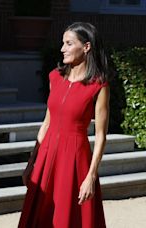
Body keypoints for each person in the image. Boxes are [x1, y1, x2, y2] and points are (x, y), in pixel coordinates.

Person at [19, 22, 110, 228]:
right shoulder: (54, 77)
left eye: (69, 43)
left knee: (70, 217)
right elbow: (46, 122)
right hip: (47, 154)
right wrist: (31, 162)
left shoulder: (99, 85)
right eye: (62, 43)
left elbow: (101, 135)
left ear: (86, 47)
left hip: (75, 159)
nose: (62, 49)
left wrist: (90, 176)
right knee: (41, 216)